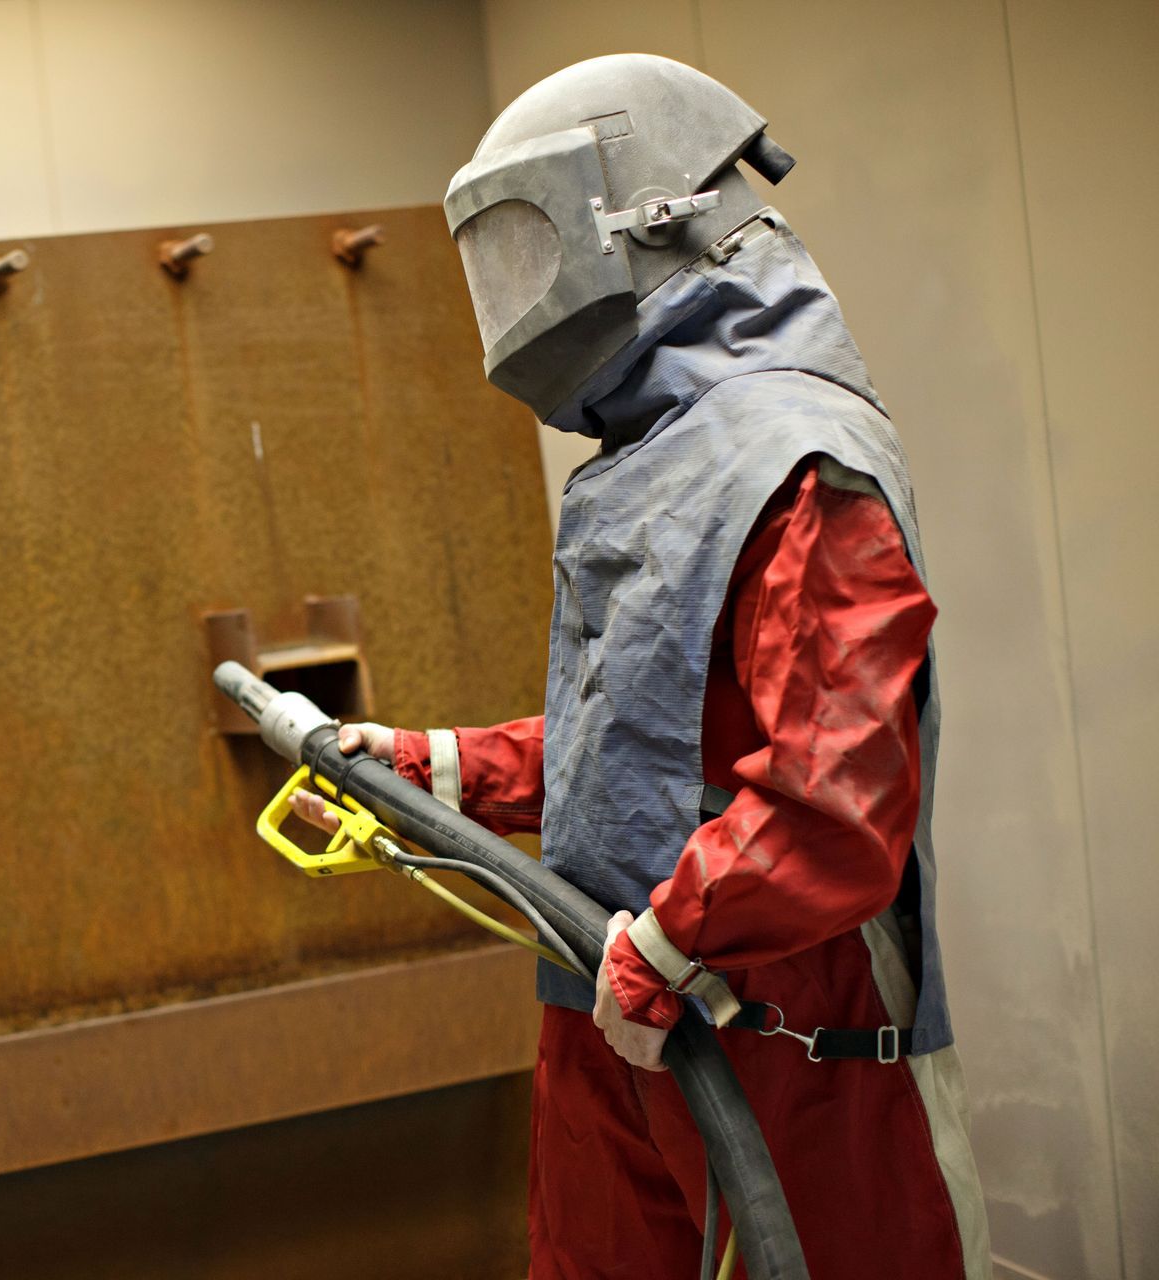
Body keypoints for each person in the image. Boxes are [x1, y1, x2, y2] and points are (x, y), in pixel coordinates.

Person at [291, 55, 988, 1279]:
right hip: (615, 1000)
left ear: (651, 217)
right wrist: (437, 767)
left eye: (531, 241)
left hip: (782, 1020)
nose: (518, 294)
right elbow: (649, 738)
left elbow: (834, 796)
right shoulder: (655, 453)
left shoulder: (799, 456)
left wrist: (667, 942)